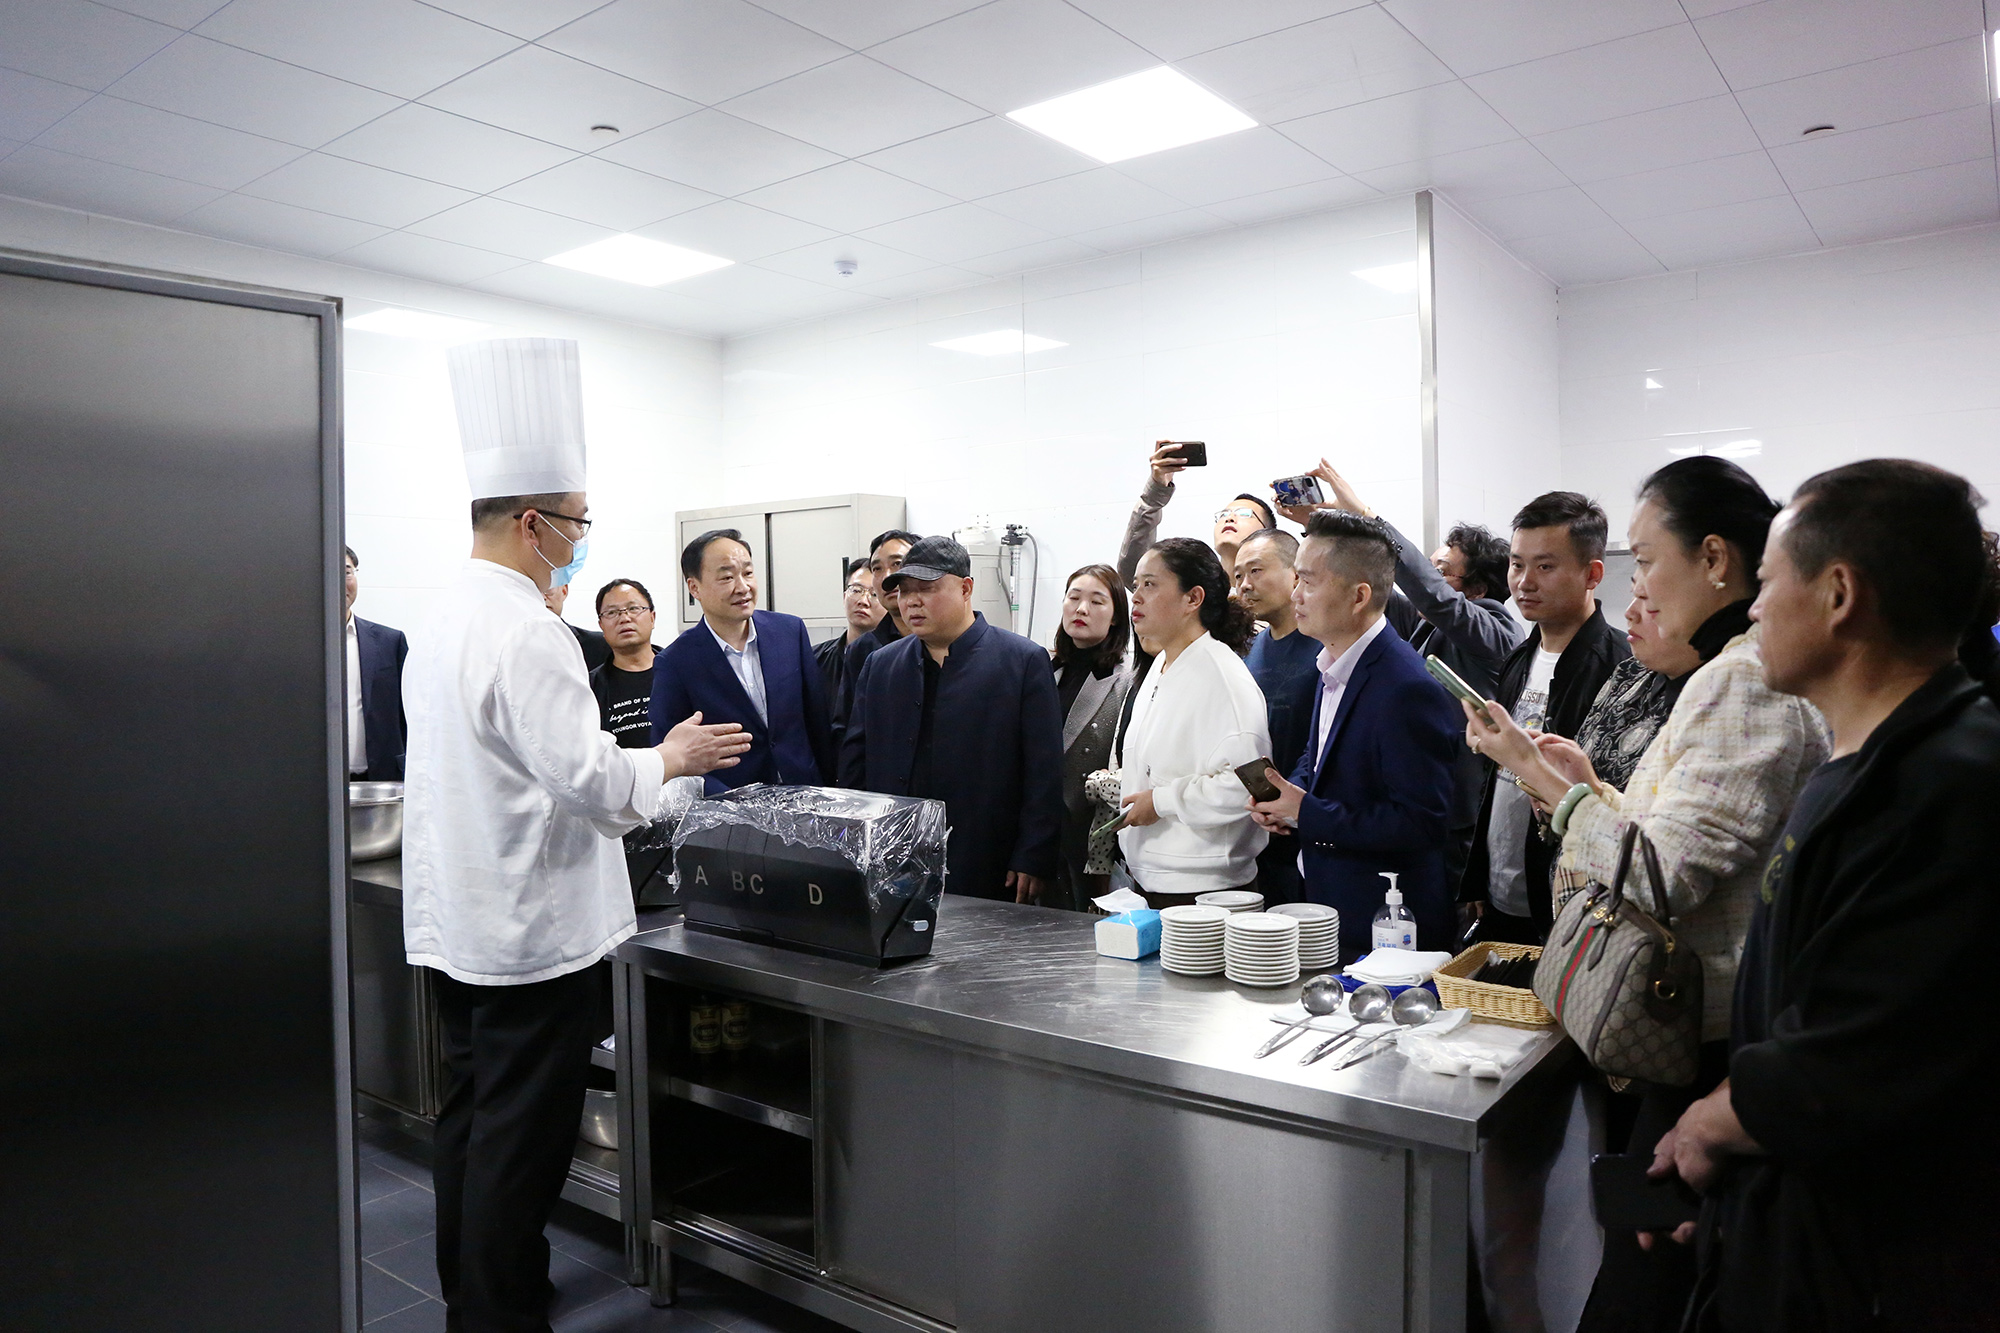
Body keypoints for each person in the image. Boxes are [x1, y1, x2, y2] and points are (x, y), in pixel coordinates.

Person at [406, 336, 750, 1333]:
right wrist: (671, 758)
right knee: (520, 1144)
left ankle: (481, 1291)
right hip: (531, 938)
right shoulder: (529, 630)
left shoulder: (446, 613)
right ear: (533, 523)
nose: (582, 538)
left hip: (463, 925)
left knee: (472, 1124)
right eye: (579, 520)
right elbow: (593, 783)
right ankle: (498, 1314)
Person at [1463, 457, 1829, 1333]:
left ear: (1715, 559)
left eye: (1648, 560)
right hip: (1700, 1028)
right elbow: (1683, 835)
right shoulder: (1724, 670)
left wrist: (1544, 783)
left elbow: (1665, 872)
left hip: (1703, 1031)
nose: (1642, 590)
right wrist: (1592, 788)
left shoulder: (1740, 678)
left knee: (1649, 1290)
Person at [1650, 460, 2000, 1333]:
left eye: (1769, 582)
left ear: (1839, 594)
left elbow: (1858, 1057)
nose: (1755, 609)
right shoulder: (1868, 760)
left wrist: (1711, 1124)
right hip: (1800, 1226)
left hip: (1881, 1267)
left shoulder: (1952, 783)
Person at [1279, 459, 1526, 897]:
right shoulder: (1379, 642)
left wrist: (1368, 517)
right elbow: (1360, 584)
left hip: (1454, 829)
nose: (1426, 578)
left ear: (1478, 588)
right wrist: (1327, 535)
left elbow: (1430, 597)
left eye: (1442, 570)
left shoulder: (1495, 630)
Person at [1247, 511, 1462, 957]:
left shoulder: (1406, 686)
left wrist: (1307, 812)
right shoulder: (1332, 662)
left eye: (1308, 582)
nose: (1296, 595)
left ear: (1359, 596)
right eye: (1296, 579)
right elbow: (1320, 756)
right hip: (1331, 900)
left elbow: (1420, 823)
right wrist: (1288, 796)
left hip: (1387, 925)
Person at [841, 535, 1063, 903]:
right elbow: (856, 761)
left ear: (965, 588)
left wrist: (1033, 854)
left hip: (987, 857)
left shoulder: (1021, 661)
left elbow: (1045, 770)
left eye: (927, 589)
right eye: (904, 590)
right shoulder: (881, 665)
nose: (912, 601)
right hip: (894, 857)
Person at [1462, 491, 1630, 946]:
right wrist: (1480, 877)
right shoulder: (1520, 657)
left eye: (1545, 567)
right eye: (1517, 565)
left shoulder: (1621, 667)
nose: (1524, 582)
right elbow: (1496, 780)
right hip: (1502, 889)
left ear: (1592, 574)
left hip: (1570, 898)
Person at [1115, 538, 1269, 907]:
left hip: (1206, 890)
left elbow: (1250, 785)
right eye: (1136, 585)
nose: (1136, 597)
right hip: (1151, 877)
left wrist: (1162, 801)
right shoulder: (1162, 664)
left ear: (1192, 599)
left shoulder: (1223, 677)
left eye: (1150, 584)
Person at [649, 528, 833, 793]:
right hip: (732, 806)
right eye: (727, 577)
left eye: (747, 573)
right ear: (694, 587)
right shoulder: (675, 662)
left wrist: (829, 788)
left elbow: (817, 722)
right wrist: (727, 802)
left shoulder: (789, 632)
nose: (743, 587)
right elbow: (669, 750)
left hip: (805, 793)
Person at [1235, 528, 1315, 904]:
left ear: (1296, 574)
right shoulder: (1249, 651)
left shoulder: (1325, 646)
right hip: (1258, 828)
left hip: (1310, 825)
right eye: (1238, 575)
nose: (1244, 585)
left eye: (1256, 571)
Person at [1050, 564, 1132, 910]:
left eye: (1097, 602)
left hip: (1090, 836)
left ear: (1116, 617)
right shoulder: (1043, 669)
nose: (1081, 609)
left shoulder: (1125, 681)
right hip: (1040, 830)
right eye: (1074, 598)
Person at [1115, 439, 1277, 584]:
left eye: (1244, 513)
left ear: (1267, 534)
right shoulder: (1195, 588)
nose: (1230, 518)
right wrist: (1155, 492)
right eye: (1224, 514)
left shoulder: (1281, 586)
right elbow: (1136, 571)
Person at [837, 528, 918, 729]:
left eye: (897, 564)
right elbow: (847, 728)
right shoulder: (863, 651)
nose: (886, 577)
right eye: (877, 569)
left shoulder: (943, 639)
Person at [343, 544, 408, 781]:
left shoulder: (390, 642)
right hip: (310, 785)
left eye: (346, 572)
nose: (338, 581)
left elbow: (409, 715)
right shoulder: (293, 646)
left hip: (379, 781)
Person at [587, 578, 658, 748]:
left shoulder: (682, 672)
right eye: (612, 613)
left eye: (633, 609)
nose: (624, 618)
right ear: (601, 626)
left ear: (652, 617)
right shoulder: (590, 689)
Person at [814, 559, 881, 713]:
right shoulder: (815, 659)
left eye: (874, 594)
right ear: (844, 597)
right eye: (856, 590)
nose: (863, 601)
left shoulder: (897, 661)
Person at [543, 579, 610, 672]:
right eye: (531, 591)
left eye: (547, 588)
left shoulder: (600, 646)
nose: (541, 597)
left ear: (564, 591)